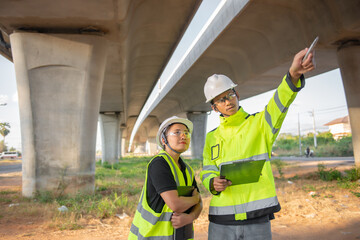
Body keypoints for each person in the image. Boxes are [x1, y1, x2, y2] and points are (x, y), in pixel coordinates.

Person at [200, 48, 315, 240]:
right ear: (214, 107)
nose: (228, 101)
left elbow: (279, 103)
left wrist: (293, 75)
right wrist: (212, 182)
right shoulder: (212, 137)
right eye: (221, 99)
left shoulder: (260, 124)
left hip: (257, 217)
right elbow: (207, 170)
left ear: (237, 94)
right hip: (222, 220)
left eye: (230, 95)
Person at [129, 116, 202, 240]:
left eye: (186, 133)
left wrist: (190, 217)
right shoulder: (159, 164)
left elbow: (200, 204)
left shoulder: (188, 169)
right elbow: (176, 204)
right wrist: (195, 199)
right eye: (177, 132)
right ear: (164, 139)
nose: (183, 136)